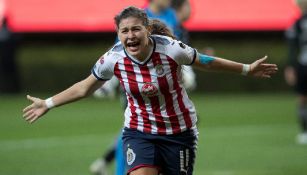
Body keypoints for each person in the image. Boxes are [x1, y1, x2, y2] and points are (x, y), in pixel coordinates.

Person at [23, 6, 278, 175]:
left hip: (180, 133)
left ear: (147, 29)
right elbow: (84, 87)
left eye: (136, 29)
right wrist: (48, 103)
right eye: (124, 31)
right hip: (139, 132)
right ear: (118, 34)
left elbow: (206, 62)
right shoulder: (113, 58)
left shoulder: (171, 48)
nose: (130, 35)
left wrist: (246, 69)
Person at [284, 0, 307, 145]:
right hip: (303, 65)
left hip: (303, 65)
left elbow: (292, 47)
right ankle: (305, 130)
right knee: (302, 98)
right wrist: (291, 67)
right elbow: (292, 47)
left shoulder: (297, 24)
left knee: (302, 99)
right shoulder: (297, 23)